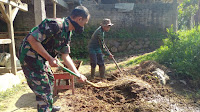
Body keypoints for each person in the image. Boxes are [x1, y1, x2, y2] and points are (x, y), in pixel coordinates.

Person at [18, 6, 90, 112]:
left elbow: (65, 56)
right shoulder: (55, 25)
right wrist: (49, 58)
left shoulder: (67, 33)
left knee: (50, 79)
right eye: (85, 22)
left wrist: (77, 74)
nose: (84, 26)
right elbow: (32, 39)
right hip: (30, 56)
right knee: (43, 87)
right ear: (79, 19)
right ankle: (45, 109)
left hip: (41, 57)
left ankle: (49, 107)